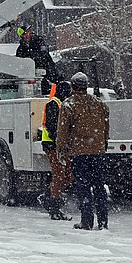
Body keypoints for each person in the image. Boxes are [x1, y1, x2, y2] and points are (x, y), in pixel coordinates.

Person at [56, 72, 110, 230]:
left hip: (80, 152)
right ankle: (103, 221)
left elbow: (62, 131)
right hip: (98, 151)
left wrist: (61, 149)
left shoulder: (68, 105)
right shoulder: (99, 103)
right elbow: (106, 126)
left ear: (72, 86)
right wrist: (103, 143)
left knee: (83, 186)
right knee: (99, 187)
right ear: (86, 86)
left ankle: (86, 221)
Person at [39, 80, 73, 221]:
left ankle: (49, 196)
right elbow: (53, 127)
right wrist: (60, 144)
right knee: (59, 173)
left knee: (67, 174)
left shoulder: (60, 104)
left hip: (58, 144)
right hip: (52, 144)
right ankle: (54, 205)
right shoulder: (54, 104)